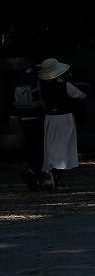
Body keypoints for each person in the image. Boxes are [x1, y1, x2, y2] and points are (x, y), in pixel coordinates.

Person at [38, 58, 87, 190]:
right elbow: (80, 96)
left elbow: (42, 103)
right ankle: (57, 178)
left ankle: (51, 173)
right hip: (64, 117)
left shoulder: (42, 86)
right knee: (64, 147)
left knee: (51, 146)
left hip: (49, 117)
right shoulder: (65, 85)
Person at [12, 60, 46, 190]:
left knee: (28, 144)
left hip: (22, 116)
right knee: (39, 146)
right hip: (36, 116)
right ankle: (35, 171)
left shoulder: (19, 78)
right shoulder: (39, 78)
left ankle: (27, 165)